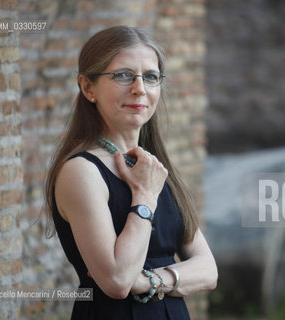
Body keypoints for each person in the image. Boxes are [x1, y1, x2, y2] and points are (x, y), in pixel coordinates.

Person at [44, 25, 218, 319]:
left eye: (150, 77)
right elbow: (117, 281)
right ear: (88, 88)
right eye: (123, 75)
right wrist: (145, 195)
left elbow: (208, 270)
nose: (139, 88)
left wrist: (148, 281)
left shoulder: (153, 166)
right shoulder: (81, 171)